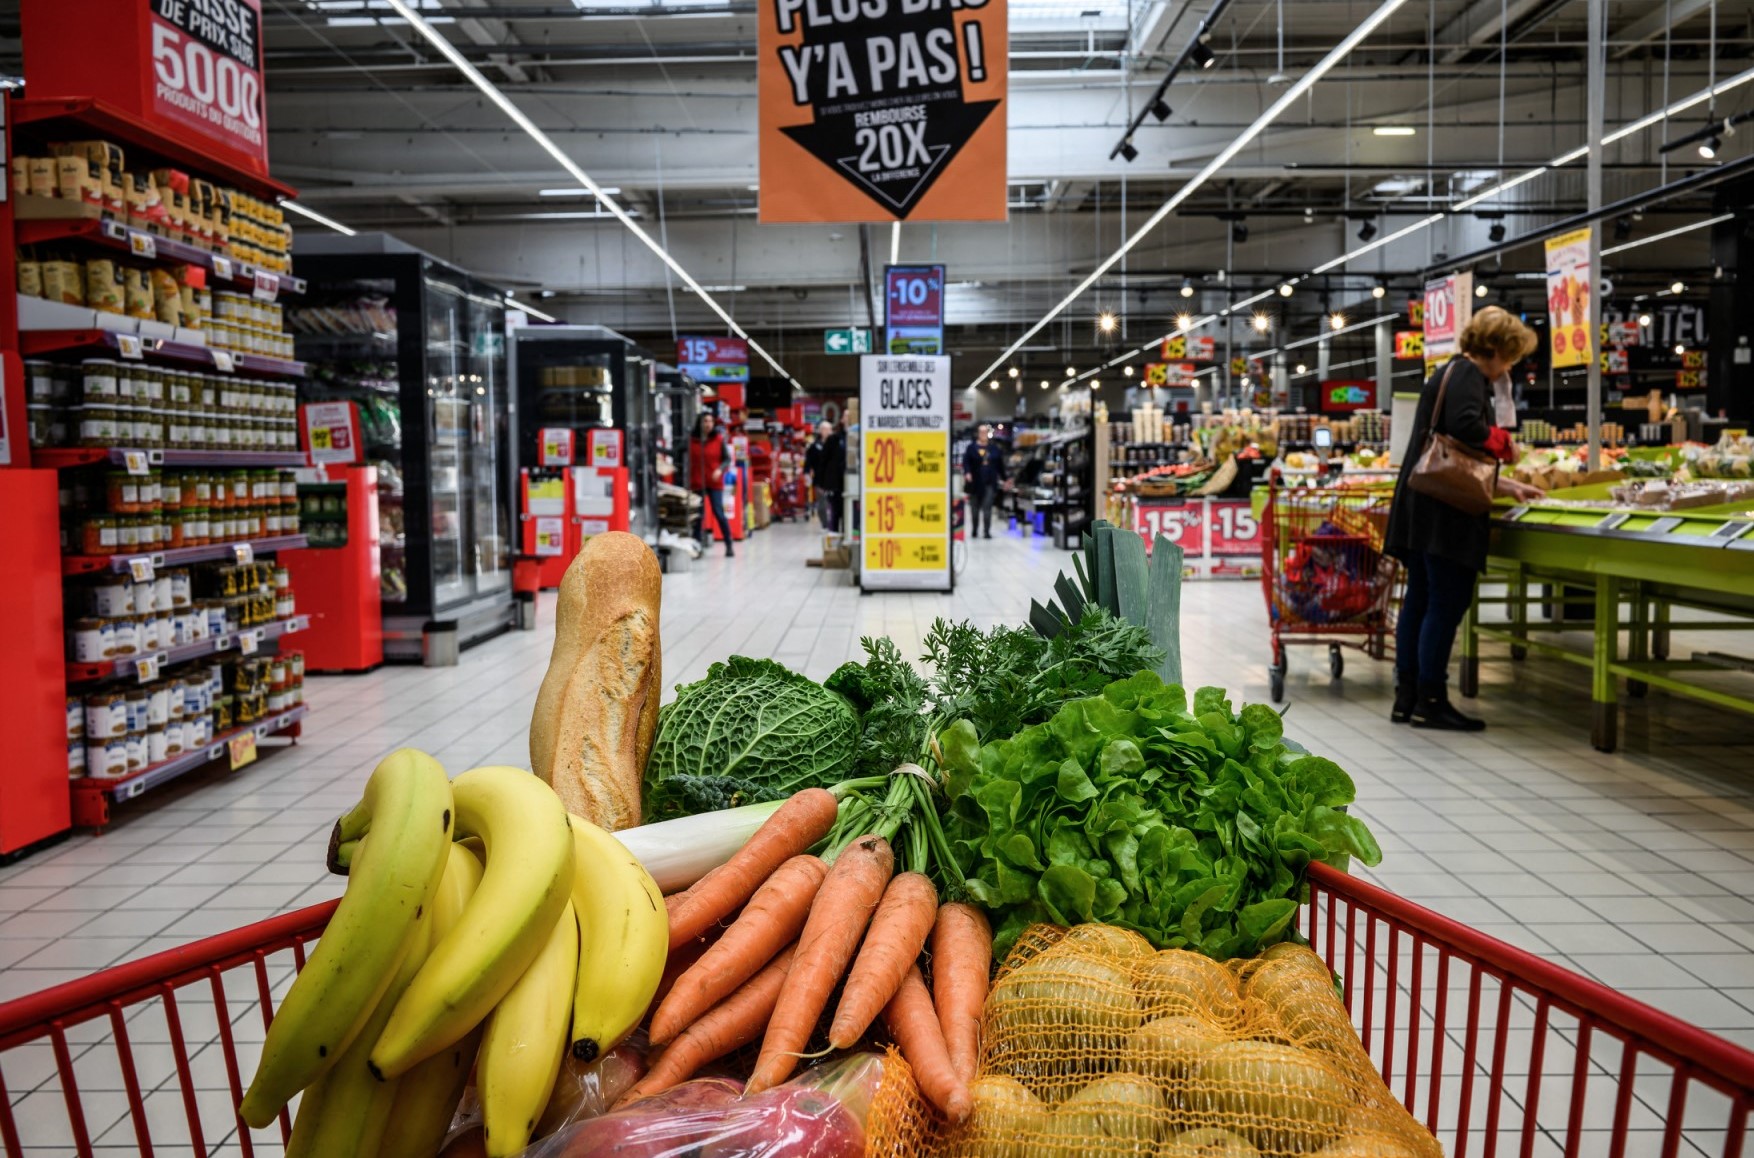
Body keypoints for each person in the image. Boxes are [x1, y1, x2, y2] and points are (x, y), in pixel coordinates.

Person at [1385, 305, 1544, 731]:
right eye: (1509, 356)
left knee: (1419, 600)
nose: (1508, 367)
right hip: (1444, 513)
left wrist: (1505, 486)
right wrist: (1504, 444)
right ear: (1494, 349)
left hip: (1422, 502)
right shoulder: (1470, 376)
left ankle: (1409, 695)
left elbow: (1453, 451)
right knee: (1445, 601)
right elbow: (1466, 428)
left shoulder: (1447, 372)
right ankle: (1431, 698)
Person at [688, 411, 734, 557]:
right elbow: (678, 453)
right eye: (705, 421)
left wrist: (720, 470)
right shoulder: (691, 441)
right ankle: (696, 547)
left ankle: (728, 544)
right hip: (697, 482)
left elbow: (727, 459)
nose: (708, 424)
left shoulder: (718, 440)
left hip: (714, 482)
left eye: (710, 421)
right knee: (698, 516)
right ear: (699, 423)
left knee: (719, 513)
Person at [962, 424, 1008, 538]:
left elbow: (1000, 466)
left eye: (985, 432)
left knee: (987, 508)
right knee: (974, 509)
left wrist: (1005, 479)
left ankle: (987, 531)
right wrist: (967, 473)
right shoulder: (971, 448)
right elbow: (966, 462)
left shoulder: (994, 449)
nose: (983, 434)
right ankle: (974, 530)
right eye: (981, 432)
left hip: (989, 483)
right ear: (978, 433)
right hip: (975, 484)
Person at [812, 421, 846, 533]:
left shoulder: (841, 440)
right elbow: (818, 463)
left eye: (829, 429)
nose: (827, 431)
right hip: (826, 481)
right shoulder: (816, 445)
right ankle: (827, 526)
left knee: (839, 509)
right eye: (825, 429)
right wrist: (819, 482)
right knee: (825, 506)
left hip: (841, 482)